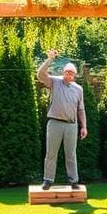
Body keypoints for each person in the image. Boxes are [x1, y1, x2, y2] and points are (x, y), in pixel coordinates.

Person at [37, 50, 87, 190]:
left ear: (75, 75)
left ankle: (74, 181)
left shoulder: (79, 89)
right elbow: (40, 75)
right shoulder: (55, 82)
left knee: (71, 154)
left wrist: (84, 127)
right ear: (62, 72)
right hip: (55, 123)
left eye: (71, 72)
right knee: (51, 153)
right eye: (66, 71)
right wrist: (49, 59)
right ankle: (48, 180)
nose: (68, 74)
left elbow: (81, 110)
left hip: (72, 125)